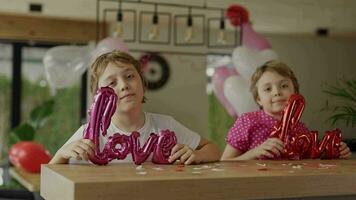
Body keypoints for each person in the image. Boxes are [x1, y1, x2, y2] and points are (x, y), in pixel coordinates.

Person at [50, 50, 220, 165]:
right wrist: (61, 155)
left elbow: (213, 149)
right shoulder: (88, 135)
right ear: (99, 96)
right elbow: (51, 175)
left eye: (129, 76)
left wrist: (197, 155)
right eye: (112, 82)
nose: (124, 85)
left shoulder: (166, 125)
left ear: (143, 83)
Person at [221, 60, 352, 160]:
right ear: (258, 99)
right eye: (268, 89)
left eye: (284, 86)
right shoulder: (247, 121)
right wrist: (254, 153)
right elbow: (225, 162)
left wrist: (333, 152)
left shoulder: (300, 129)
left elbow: (311, 162)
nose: (277, 92)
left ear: (295, 91)